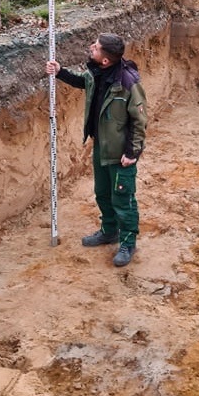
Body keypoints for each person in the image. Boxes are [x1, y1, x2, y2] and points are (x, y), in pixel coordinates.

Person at [45, 33, 148, 267]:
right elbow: (84, 82)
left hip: (121, 153)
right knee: (102, 192)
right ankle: (109, 231)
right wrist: (60, 72)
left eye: (97, 47)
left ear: (105, 60)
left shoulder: (128, 82)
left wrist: (132, 153)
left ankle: (128, 243)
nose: (92, 47)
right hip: (102, 146)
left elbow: (140, 122)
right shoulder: (97, 73)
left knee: (123, 198)